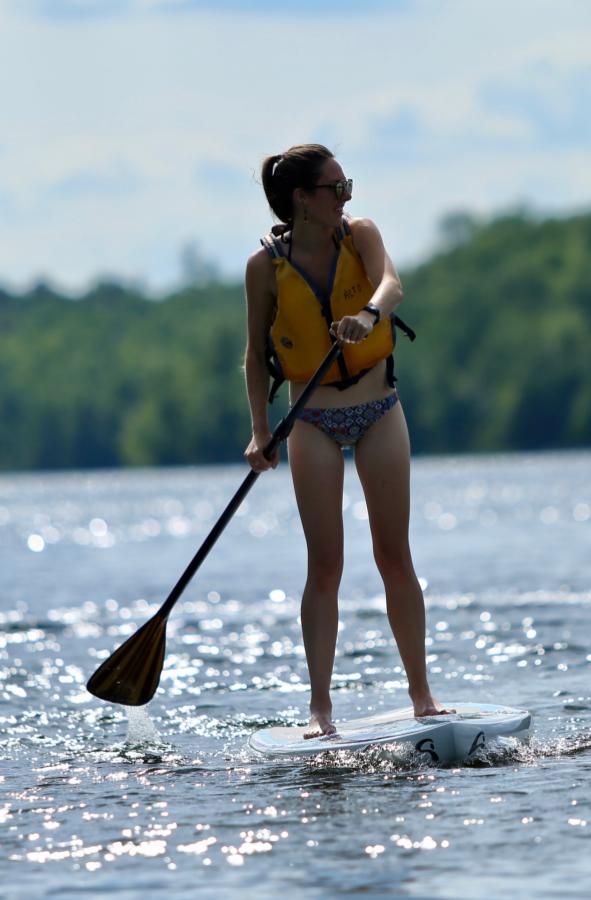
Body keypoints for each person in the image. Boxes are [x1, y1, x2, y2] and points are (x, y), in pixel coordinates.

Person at [242, 144, 449, 738]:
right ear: (301, 200)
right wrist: (261, 431)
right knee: (325, 566)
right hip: (312, 424)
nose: (346, 196)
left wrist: (368, 317)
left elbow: (391, 284)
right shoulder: (263, 269)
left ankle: (421, 695)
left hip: (378, 408)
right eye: (336, 188)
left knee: (393, 556)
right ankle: (321, 710)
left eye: (347, 185)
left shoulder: (359, 234)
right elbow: (257, 356)